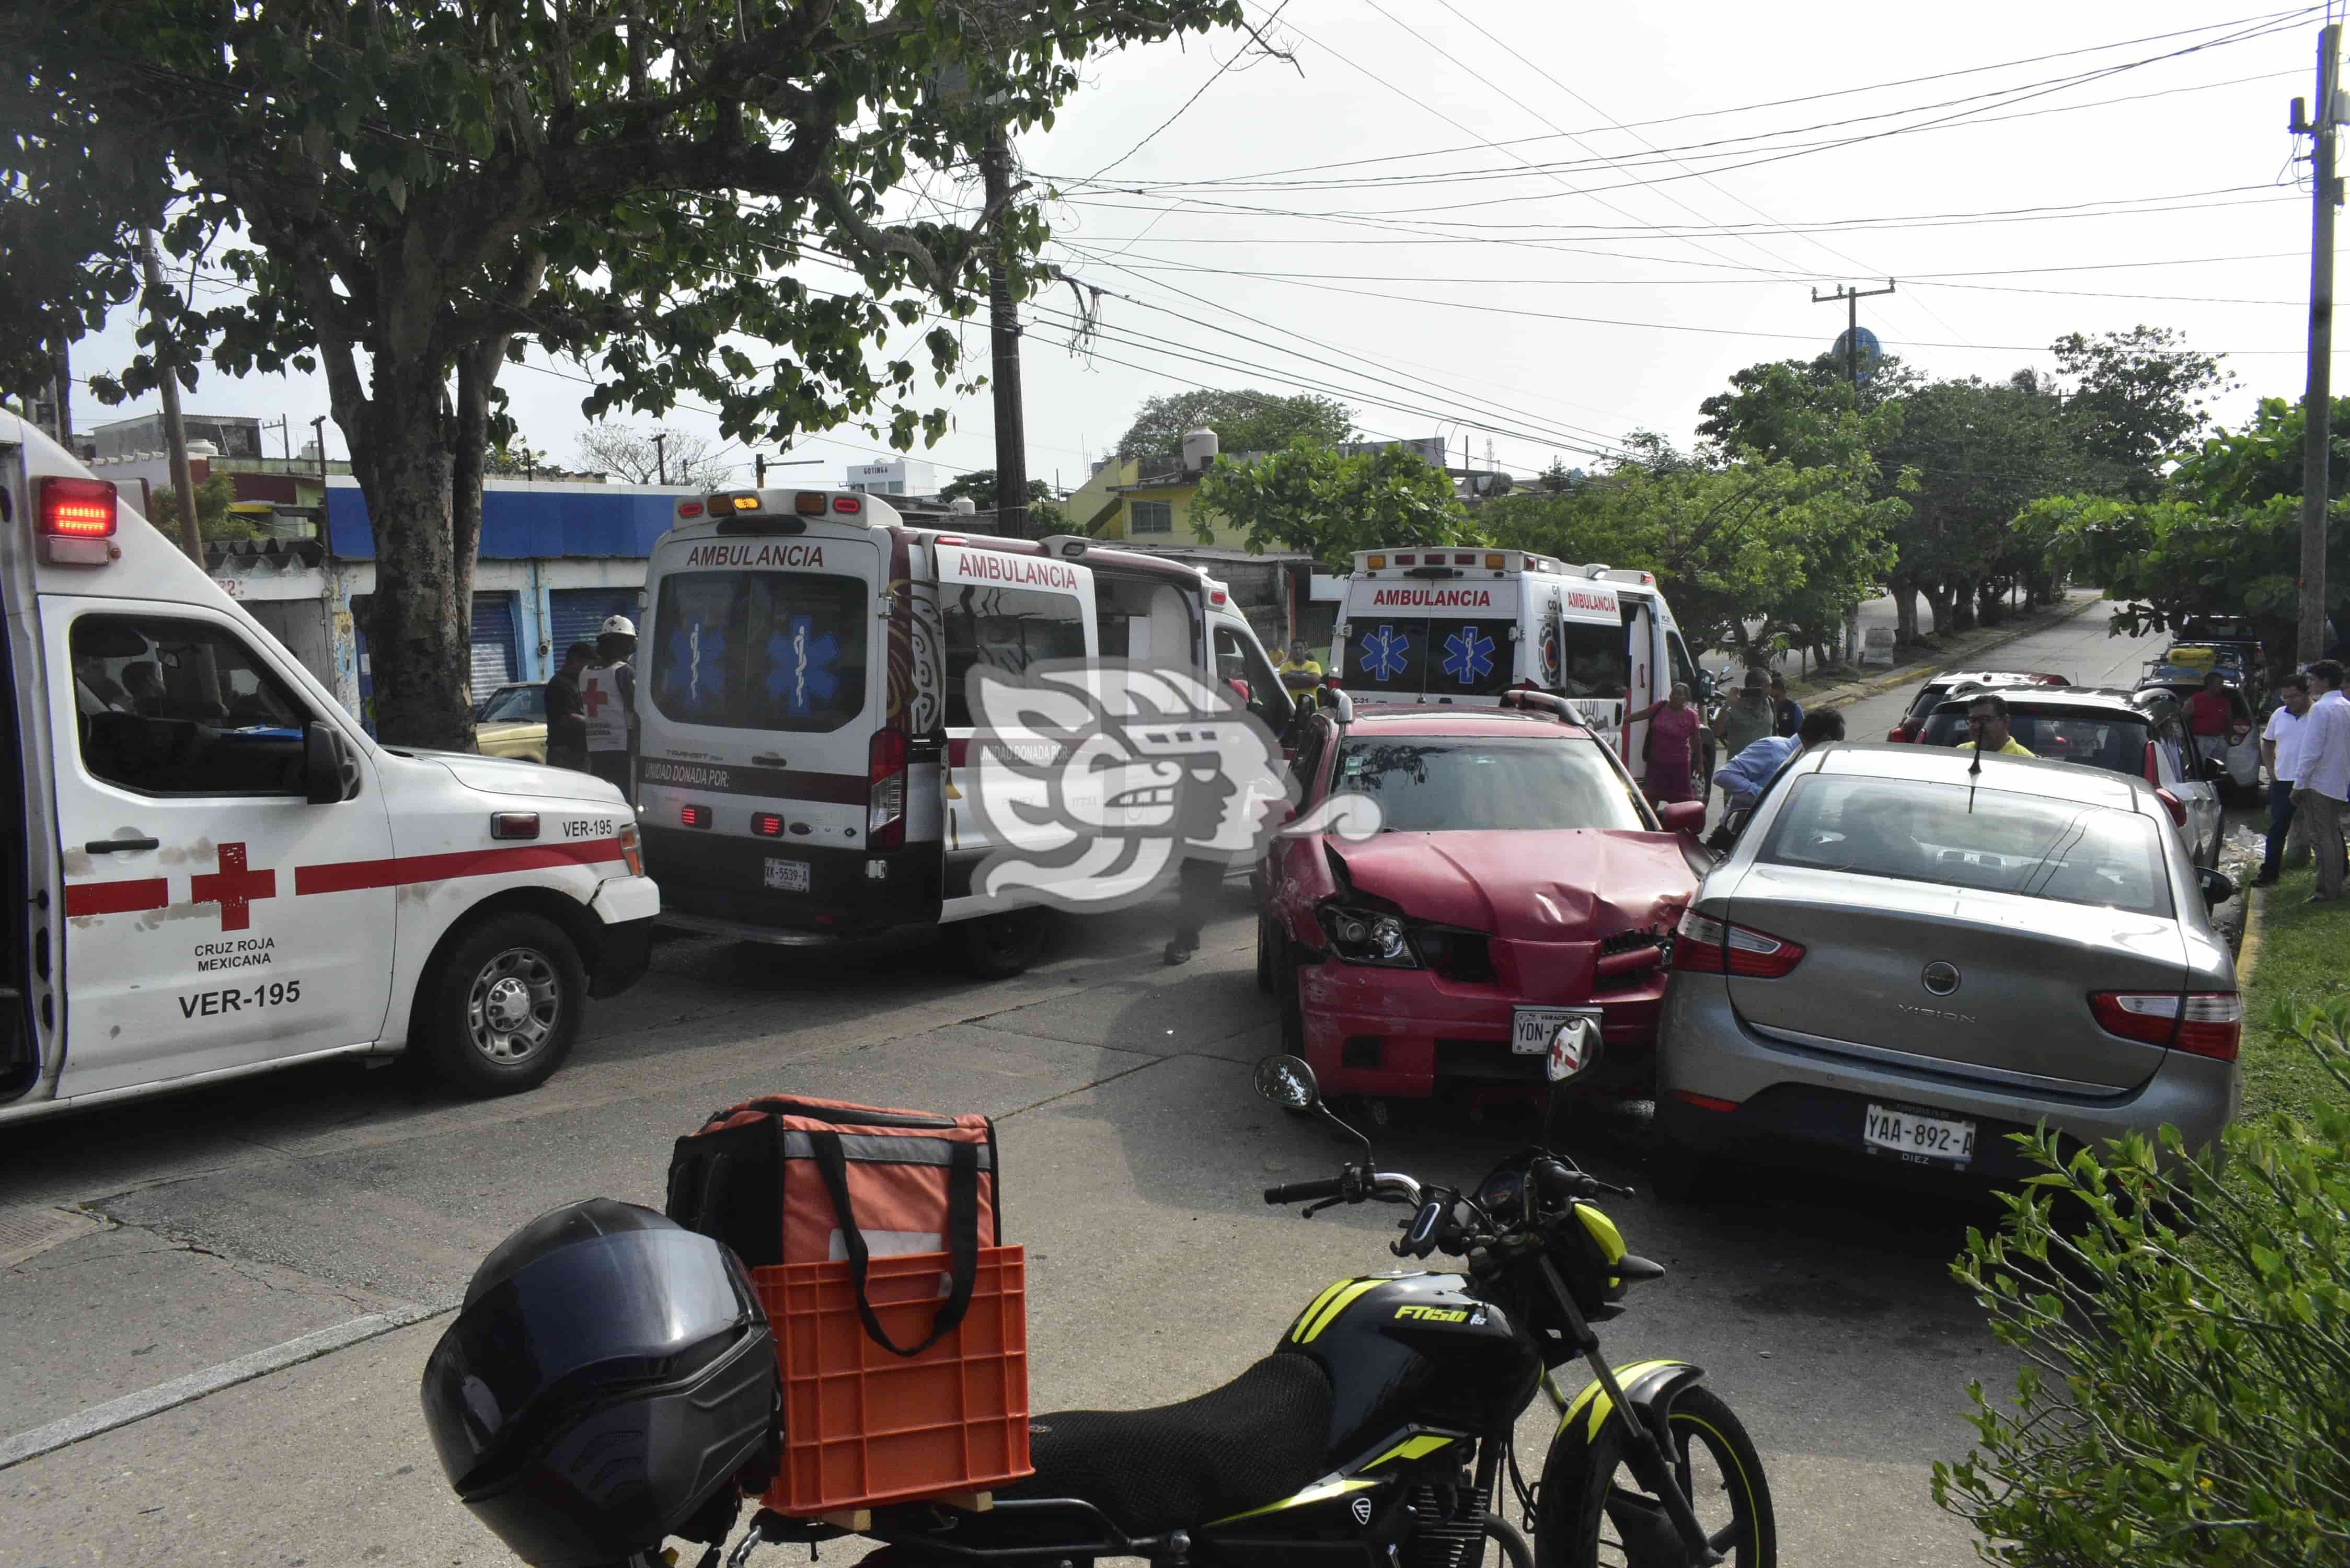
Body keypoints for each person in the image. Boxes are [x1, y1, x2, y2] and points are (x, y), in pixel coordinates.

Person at [1713, 708, 1847, 815]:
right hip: (1741, 838)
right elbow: (1724, 776)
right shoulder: (1773, 748)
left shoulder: (1809, 761)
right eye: (1835, 746)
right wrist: (1766, 797)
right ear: (1826, 739)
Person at [2295, 659, 2350, 903]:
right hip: (2339, 780)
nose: (2309, 684)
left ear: (2324, 681)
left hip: (2319, 782)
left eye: (2312, 680)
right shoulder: (2345, 706)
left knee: (2322, 837)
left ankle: (2326, 891)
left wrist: (2299, 784)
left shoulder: (2321, 708)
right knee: (2332, 835)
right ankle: (2335, 885)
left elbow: (2311, 751)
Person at [2254, 674, 2313, 887]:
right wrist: (2270, 768)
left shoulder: (2319, 714)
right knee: (2278, 828)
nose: (2289, 702)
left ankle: (2337, 873)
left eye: (2294, 697)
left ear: (2307, 693)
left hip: (2313, 781)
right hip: (2283, 781)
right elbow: (2268, 743)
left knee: (2324, 828)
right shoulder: (2279, 714)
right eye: (2285, 697)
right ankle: (2269, 873)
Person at [581, 616, 638, 792]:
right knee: (623, 794)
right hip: (621, 747)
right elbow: (638, 707)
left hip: (595, 746)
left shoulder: (586, 671)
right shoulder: (623, 671)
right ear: (628, 645)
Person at [1625, 682, 1703, 805]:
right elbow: (1643, 714)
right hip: (1656, 763)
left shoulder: (1691, 716)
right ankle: (1650, 823)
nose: (1674, 696)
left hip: (1679, 766)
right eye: (1673, 693)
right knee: (1650, 800)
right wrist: (1622, 721)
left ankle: (1681, 824)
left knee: (1681, 803)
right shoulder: (1660, 707)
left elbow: (1697, 741)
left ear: (1687, 699)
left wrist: (1699, 764)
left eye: (1679, 694)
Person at [1713, 670, 1775, 808]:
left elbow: (1774, 733)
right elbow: (1717, 732)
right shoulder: (1733, 705)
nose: (1770, 690)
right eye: (1768, 686)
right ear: (1754, 687)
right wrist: (1728, 704)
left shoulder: (1770, 703)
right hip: (1740, 773)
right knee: (1734, 817)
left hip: (1766, 771)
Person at [545, 640, 593, 773]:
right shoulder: (559, 684)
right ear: (575, 661)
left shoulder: (578, 682)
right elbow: (568, 717)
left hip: (580, 752)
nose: (589, 669)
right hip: (564, 754)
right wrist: (597, 722)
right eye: (587, 665)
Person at [1957, 691, 2034, 756]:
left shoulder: (2027, 760)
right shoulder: (1959, 753)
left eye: (1985, 719)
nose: (1977, 726)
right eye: (1973, 720)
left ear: (2005, 721)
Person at [1277, 640, 1324, 712]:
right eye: (1295, 649)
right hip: (1292, 710)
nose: (1298, 651)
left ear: (1305, 650)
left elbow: (1315, 681)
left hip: (1311, 710)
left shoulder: (1314, 665)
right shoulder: (1285, 666)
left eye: (1300, 648)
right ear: (1291, 651)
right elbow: (1284, 683)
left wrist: (1291, 676)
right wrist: (1308, 681)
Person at [2183, 671, 2233, 739]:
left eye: (2222, 684)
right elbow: (2183, 720)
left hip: (2220, 741)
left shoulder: (2225, 702)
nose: (2222, 686)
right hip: (2199, 741)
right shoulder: (2195, 700)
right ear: (2210, 684)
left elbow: (2229, 722)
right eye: (2219, 684)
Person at [1769, 673, 1803, 739]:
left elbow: (1801, 735)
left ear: (1785, 692)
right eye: (1771, 697)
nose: (1774, 701)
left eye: (1777, 697)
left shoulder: (1794, 709)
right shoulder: (1766, 710)